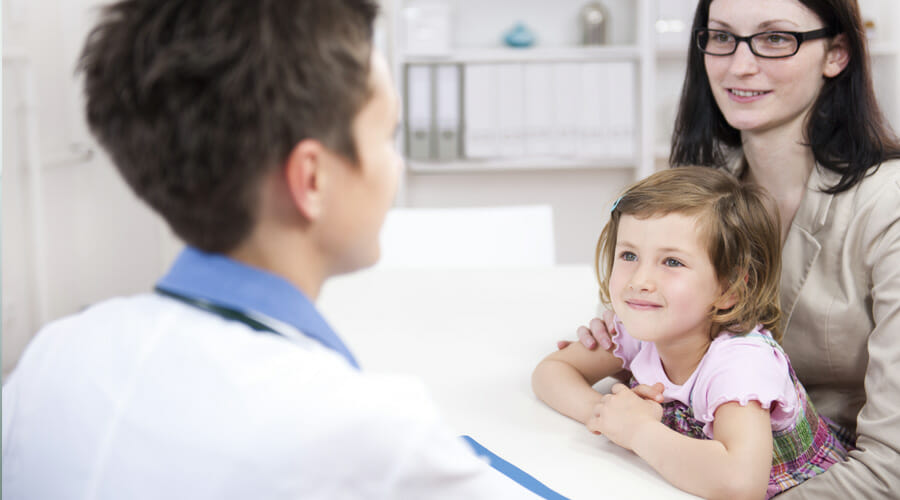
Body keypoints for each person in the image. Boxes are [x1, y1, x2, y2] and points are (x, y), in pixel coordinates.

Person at [0, 1, 544, 498]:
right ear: (311, 179)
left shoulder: (53, 356)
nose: (395, 165)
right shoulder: (369, 434)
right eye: (386, 136)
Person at [565, 0, 900, 497]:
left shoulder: (888, 209)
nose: (739, 65)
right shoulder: (701, 190)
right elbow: (640, 341)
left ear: (837, 52)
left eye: (775, 38)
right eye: (721, 36)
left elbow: (890, 469)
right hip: (696, 468)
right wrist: (622, 337)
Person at [534, 167, 848, 499]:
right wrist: (606, 415)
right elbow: (551, 371)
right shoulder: (642, 325)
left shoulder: (741, 363)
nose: (640, 280)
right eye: (629, 255)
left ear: (729, 289)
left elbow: (741, 485)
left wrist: (638, 431)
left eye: (671, 262)